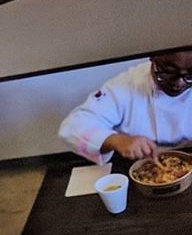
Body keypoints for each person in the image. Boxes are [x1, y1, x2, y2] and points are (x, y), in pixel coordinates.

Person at [60, 49, 192, 164]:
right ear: (152, 58)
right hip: (136, 166)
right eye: (168, 72)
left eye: (190, 75)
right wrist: (116, 140)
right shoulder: (126, 85)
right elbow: (72, 127)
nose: (179, 83)